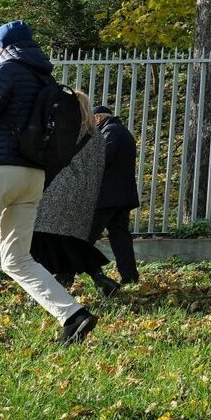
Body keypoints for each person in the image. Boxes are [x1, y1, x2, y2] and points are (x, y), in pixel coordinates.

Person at [0, 20, 97, 348]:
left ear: (4, 44)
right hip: (32, 176)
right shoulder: (44, 76)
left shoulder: (6, 70)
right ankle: (73, 315)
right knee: (17, 258)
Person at [30, 90, 115, 294]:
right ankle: (100, 278)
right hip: (83, 196)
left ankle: (42, 287)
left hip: (55, 191)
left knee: (39, 240)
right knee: (71, 241)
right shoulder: (97, 136)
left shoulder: (64, 130)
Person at [91, 105, 140, 285]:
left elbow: (101, 159)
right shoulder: (122, 131)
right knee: (121, 239)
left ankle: (68, 275)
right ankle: (130, 276)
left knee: (85, 237)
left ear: (98, 117)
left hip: (107, 198)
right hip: (121, 197)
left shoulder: (110, 131)